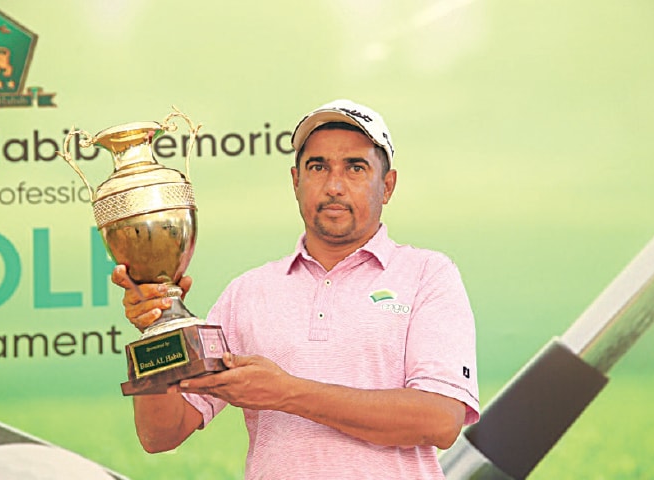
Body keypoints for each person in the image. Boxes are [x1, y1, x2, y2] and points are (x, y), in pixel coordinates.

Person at [111, 99, 480, 479]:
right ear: (296, 181)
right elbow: (161, 434)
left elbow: (439, 420)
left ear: (387, 186)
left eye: (355, 168)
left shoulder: (427, 275)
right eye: (318, 167)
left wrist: (286, 392)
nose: (334, 185)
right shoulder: (248, 292)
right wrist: (156, 327)